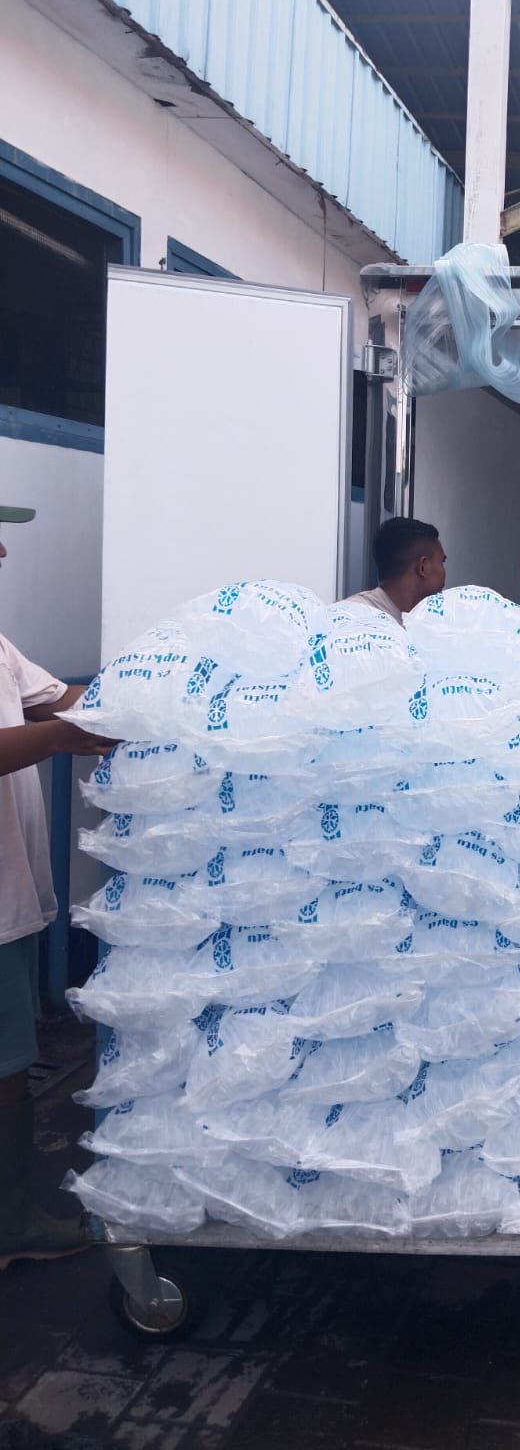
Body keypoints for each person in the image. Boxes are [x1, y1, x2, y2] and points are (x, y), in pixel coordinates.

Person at [0, 504, 116, 1269]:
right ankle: (10, 1224)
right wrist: (64, 738)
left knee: (9, 1067)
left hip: (10, 902)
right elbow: (52, 728)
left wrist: (149, 698)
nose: (2, 552)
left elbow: (63, 699)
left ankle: (11, 1218)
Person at [343, 517, 446, 625]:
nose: (444, 573)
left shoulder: (418, 622)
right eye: (442, 561)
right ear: (423, 567)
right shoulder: (357, 619)